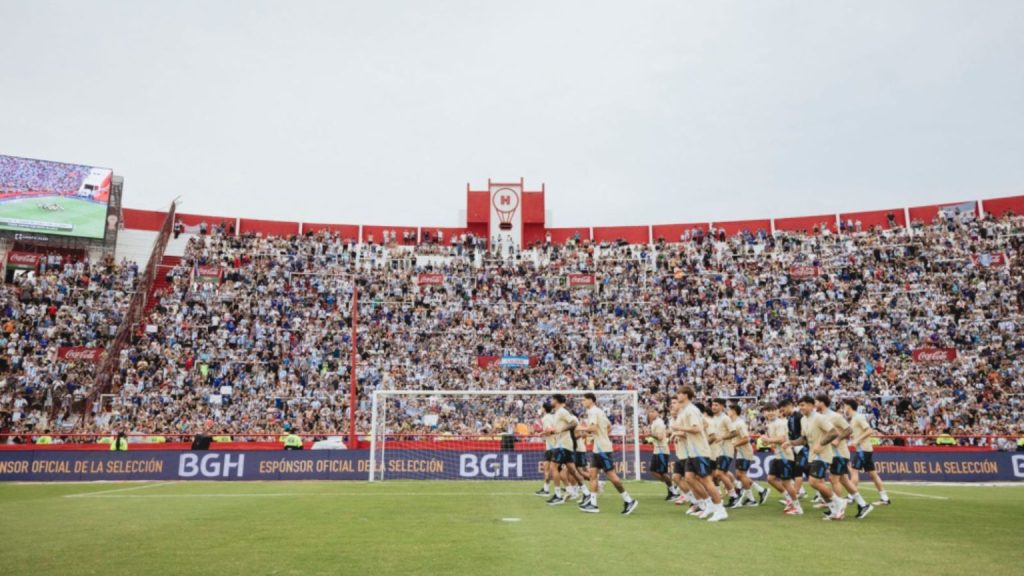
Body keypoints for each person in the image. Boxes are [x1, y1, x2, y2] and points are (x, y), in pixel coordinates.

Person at [784, 396, 846, 521]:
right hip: (812, 455)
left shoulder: (819, 418)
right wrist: (791, 442)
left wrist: (821, 444)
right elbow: (804, 439)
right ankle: (834, 511)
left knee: (814, 482)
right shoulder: (803, 420)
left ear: (812, 405)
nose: (801, 408)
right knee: (819, 484)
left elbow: (834, 432)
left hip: (823, 455)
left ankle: (839, 501)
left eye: (803, 405)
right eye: (800, 405)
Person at [576, 393, 637, 515]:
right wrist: (601, 436)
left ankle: (628, 500)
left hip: (602, 449)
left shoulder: (593, 412)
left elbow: (593, 428)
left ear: (591, 400)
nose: (582, 402)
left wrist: (579, 428)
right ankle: (593, 504)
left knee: (612, 476)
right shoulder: (599, 411)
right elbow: (608, 426)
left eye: (584, 400)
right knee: (593, 475)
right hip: (598, 448)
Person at [672, 387, 727, 522]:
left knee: (706, 480)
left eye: (679, 393)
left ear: (685, 395)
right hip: (692, 451)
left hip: (699, 451)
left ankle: (720, 509)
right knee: (689, 478)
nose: (677, 396)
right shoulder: (687, 411)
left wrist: (679, 428)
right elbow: (702, 425)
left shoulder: (691, 410)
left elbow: (697, 428)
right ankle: (707, 505)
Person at [816, 395, 873, 519]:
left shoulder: (835, 416)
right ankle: (863, 505)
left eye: (816, 402)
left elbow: (849, 430)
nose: (814, 404)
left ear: (822, 403)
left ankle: (838, 509)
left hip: (839, 453)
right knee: (844, 480)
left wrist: (838, 439)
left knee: (833, 479)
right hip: (832, 453)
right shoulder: (821, 417)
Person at [843, 399, 890, 506]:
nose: (844, 409)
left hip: (862, 450)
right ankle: (885, 498)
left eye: (845, 406)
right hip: (865, 449)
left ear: (849, 406)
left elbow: (869, 430)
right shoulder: (854, 419)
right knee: (873, 475)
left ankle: (851, 497)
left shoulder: (858, 417)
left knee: (854, 471)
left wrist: (857, 440)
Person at [762, 403, 802, 515]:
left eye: (772, 410)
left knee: (787, 482)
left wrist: (768, 440)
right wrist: (768, 441)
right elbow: (774, 441)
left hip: (785, 455)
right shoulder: (770, 424)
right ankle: (789, 500)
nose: (769, 413)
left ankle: (797, 507)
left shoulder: (779, 423)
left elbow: (781, 438)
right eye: (767, 410)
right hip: (778, 455)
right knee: (770, 479)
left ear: (777, 411)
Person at [727, 403, 768, 507]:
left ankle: (752, 499)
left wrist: (734, 445)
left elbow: (746, 438)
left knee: (741, 475)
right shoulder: (734, 422)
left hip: (745, 451)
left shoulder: (739, 423)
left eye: (729, 409)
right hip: (741, 451)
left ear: (734, 411)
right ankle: (760, 491)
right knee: (740, 475)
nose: (728, 411)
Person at [543, 394, 581, 506]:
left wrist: (561, 429)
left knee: (554, 467)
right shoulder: (557, 413)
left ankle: (558, 495)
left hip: (563, 445)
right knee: (572, 470)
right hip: (562, 444)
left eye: (552, 399)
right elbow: (558, 429)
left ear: (557, 401)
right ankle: (586, 492)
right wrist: (550, 432)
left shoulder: (562, 411)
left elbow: (574, 423)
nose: (551, 401)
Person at [707, 398, 740, 507]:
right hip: (715, 451)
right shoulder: (712, 419)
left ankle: (734, 496)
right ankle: (718, 495)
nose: (713, 407)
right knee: (713, 475)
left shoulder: (725, 419)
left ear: (722, 407)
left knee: (719, 473)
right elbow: (713, 436)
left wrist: (722, 437)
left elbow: (734, 433)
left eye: (716, 405)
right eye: (713, 405)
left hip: (726, 450)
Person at [779, 398, 808, 500]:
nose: (783, 412)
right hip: (795, 447)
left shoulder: (798, 416)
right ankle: (800, 492)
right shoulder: (790, 418)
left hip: (802, 447)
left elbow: (803, 434)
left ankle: (795, 496)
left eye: (783, 410)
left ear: (789, 406)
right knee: (802, 471)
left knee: (798, 470)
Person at [646, 407, 677, 500]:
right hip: (658, 450)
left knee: (662, 472)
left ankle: (673, 491)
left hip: (662, 451)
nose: (650, 413)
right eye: (649, 412)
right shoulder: (655, 422)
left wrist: (650, 434)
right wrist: (650, 440)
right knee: (653, 471)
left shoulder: (659, 423)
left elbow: (659, 437)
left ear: (657, 413)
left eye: (652, 411)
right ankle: (671, 488)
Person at [535, 402, 556, 497]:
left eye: (541, 407)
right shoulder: (553, 417)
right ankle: (546, 489)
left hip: (551, 447)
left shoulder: (546, 418)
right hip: (553, 446)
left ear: (544, 409)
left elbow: (550, 430)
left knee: (550, 470)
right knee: (551, 469)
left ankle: (571, 489)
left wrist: (541, 434)